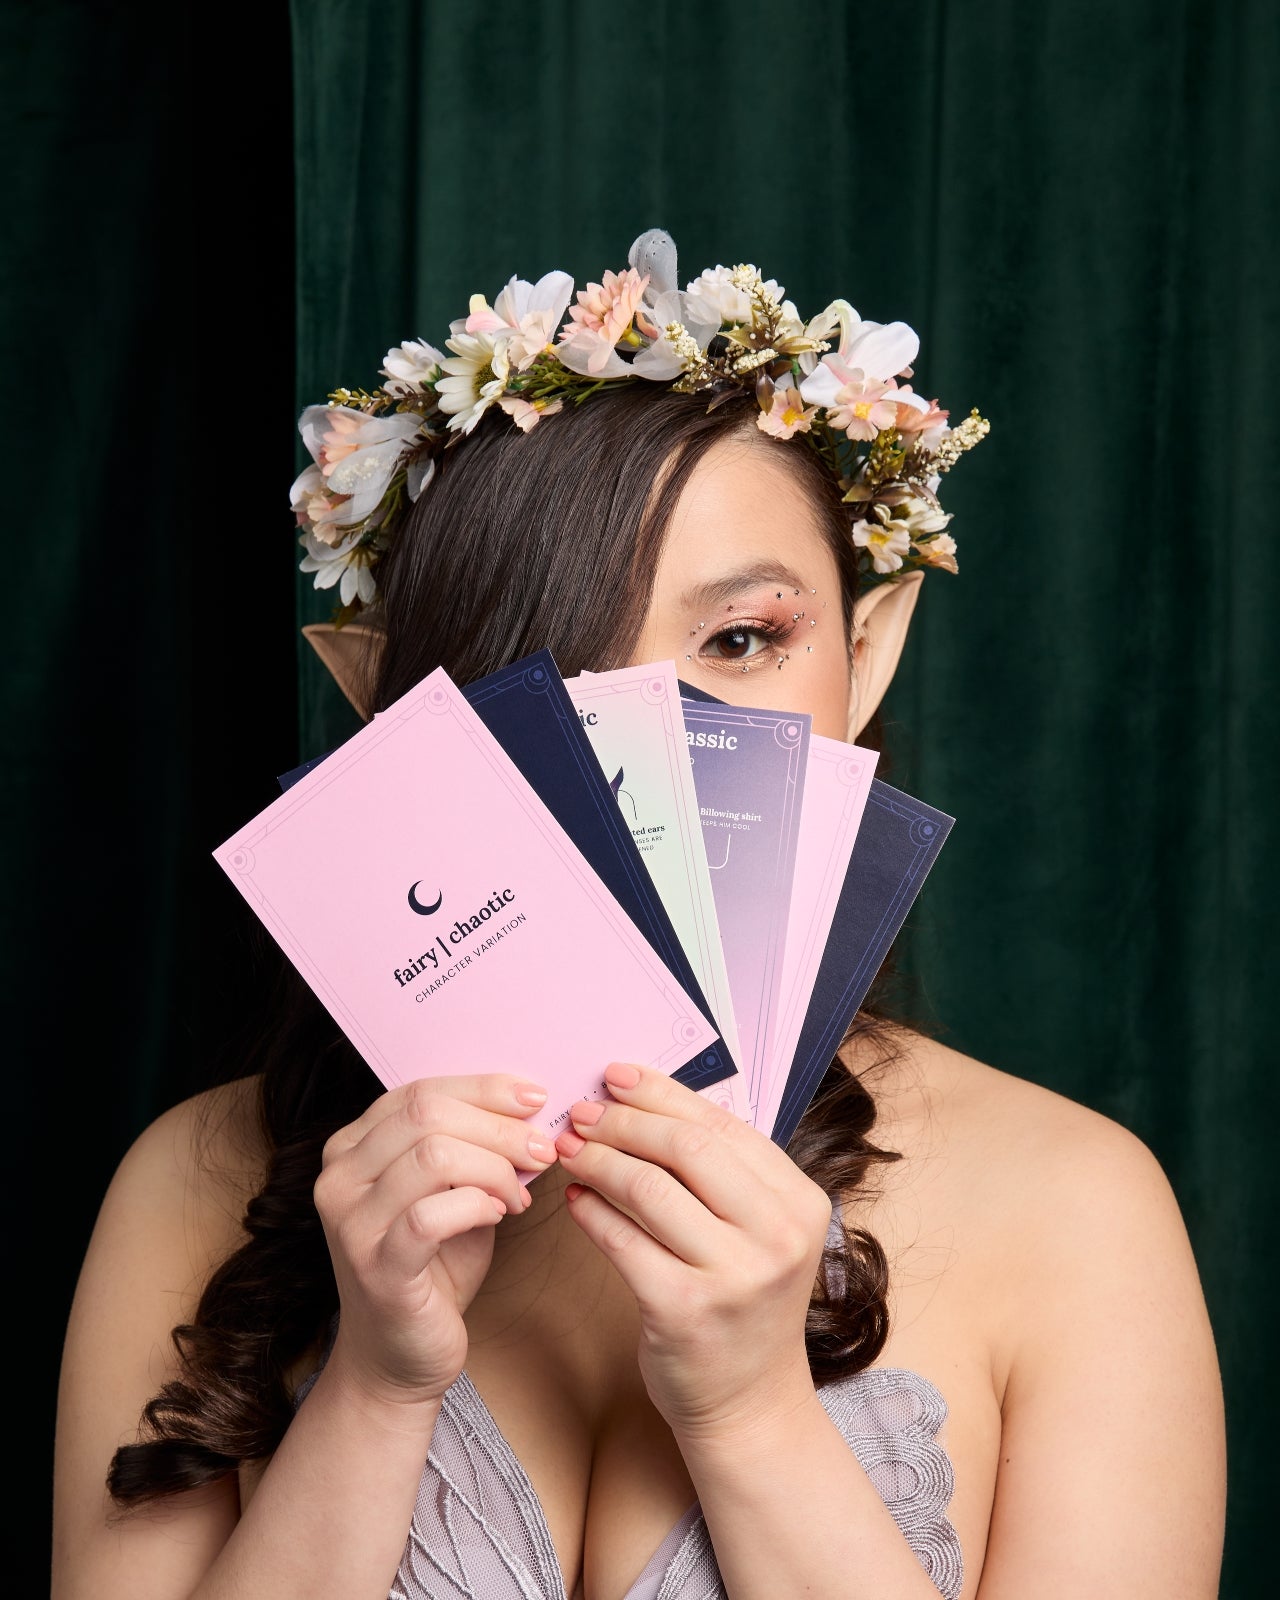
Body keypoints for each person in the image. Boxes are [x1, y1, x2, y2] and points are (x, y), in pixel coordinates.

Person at [52, 232, 1226, 1600]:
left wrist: (751, 1415)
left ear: (866, 650)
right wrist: (374, 1389)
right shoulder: (190, 1187)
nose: (642, 753)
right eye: (549, 673)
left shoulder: (1078, 1212)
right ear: (401, 721)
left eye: (741, 640)